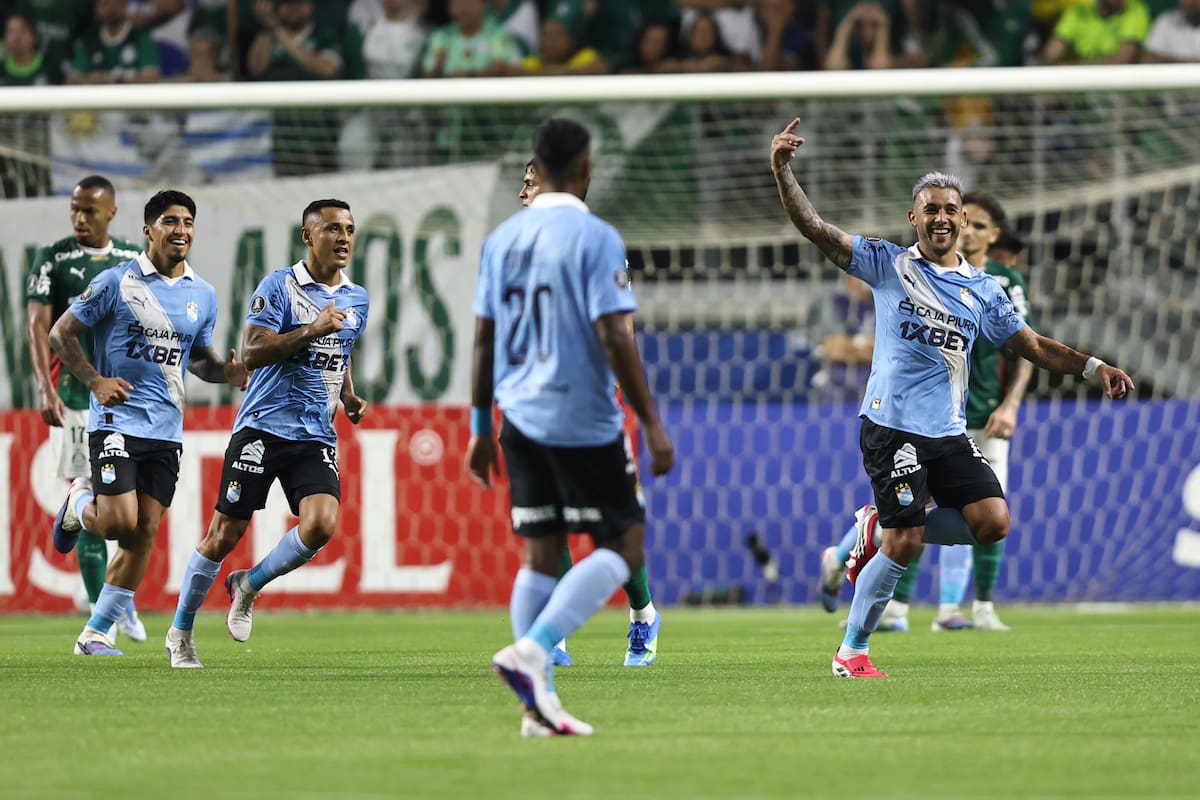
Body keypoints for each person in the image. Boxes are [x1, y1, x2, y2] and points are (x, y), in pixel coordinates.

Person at [770, 117, 1134, 678]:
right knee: (906, 542)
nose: (941, 217)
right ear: (913, 218)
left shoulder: (984, 290)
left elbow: (1034, 346)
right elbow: (816, 228)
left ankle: (875, 526)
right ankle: (852, 650)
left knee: (992, 522)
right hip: (892, 427)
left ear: (963, 220)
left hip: (949, 432)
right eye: (930, 209)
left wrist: (1094, 366)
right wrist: (782, 170)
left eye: (950, 209)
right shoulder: (887, 264)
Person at [471, 119, 674, 735]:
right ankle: (535, 648)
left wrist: (479, 426)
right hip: (583, 416)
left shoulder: (500, 241)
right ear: (584, 167)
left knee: (538, 555)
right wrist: (651, 421)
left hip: (518, 417)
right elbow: (616, 333)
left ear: (539, 168)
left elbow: (483, 339)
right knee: (624, 543)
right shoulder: (597, 237)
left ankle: (537, 706)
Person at [164, 199, 369, 669]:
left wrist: (348, 395)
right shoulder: (279, 286)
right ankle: (181, 632)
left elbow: (343, 348)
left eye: (349, 229)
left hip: (315, 434)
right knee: (224, 534)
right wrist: (311, 329)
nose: (343, 237)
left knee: (321, 524)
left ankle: (248, 584)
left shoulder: (357, 296)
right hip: (262, 427)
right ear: (308, 236)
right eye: (332, 229)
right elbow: (253, 351)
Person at [49, 189, 249, 656]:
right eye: (170, 221)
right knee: (119, 522)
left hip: (166, 430)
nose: (181, 230)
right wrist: (96, 380)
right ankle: (79, 501)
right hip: (115, 421)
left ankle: (94, 634)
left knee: (143, 533)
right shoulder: (115, 281)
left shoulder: (203, 294)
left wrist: (226, 373)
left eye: (188, 222)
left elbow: (196, 359)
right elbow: (61, 333)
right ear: (148, 230)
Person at [519, 158, 664, 669]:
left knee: (614, 524)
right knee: (549, 518)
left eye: (531, 183)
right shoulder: (516, 248)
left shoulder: (597, 243)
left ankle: (643, 614)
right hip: (537, 403)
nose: (522, 193)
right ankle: (554, 634)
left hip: (592, 402)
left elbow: (620, 328)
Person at [883, 193, 1035, 633]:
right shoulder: (919, 273)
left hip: (984, 414)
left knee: (987, 509)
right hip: (932, 417)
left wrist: (1010, 405)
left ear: (991, 234)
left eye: (976, 224)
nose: (964, 230)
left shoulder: (1001, 282)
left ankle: (974, 607)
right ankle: (897, 606)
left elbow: (1028, 347)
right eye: (964, 222)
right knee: (915, 507)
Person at [26, 175, 146, 640]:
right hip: (77, 398)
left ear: (110, 213)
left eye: (89, 210)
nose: (79, 217)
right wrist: (44, 387)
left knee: (127, 508)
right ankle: (103, 614)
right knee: (99, 498)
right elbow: (39, 327)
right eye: (74, 208)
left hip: (127, 400)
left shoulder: (132, 258)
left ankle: (117, 599)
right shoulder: (53, 258)